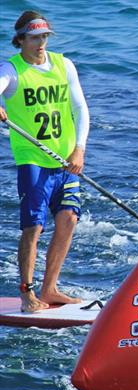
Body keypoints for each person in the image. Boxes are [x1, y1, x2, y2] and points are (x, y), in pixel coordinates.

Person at [0, 11, 89, 312]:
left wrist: (79, 149)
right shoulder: (11, 70)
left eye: (45, 37)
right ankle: (27, 293)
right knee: (33, 228)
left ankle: (49, 288)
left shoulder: (64, 65)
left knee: (68, 219)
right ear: (21, 40)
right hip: (33, 162)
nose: (41, 43)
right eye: (35, 38)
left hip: (65, 161)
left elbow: (81, 110)